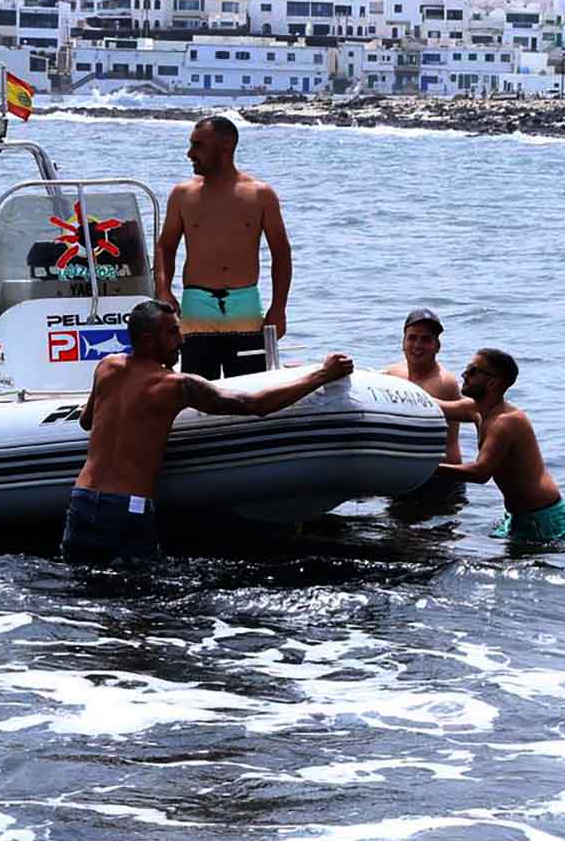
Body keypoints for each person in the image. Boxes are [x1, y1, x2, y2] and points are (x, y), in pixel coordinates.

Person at [62, 300, 353, 558]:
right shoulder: (175, 386)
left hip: (82, 502)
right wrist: (322, 375)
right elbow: (255, 405)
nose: (181, 340)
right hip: (127, 509)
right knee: (139, 606)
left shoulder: (106, 367)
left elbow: (87, 421)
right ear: (149, 340)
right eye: (173, 332)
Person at [153, 116, 290, 380]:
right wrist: (164, 290)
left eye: (198, 146)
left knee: (250, 388)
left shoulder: (260, 194)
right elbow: (165, 246)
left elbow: (281, 254)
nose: (190, 153)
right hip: (197, 306)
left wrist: (278, 307)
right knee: (199, 389)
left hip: (245, 306)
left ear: (225, 148)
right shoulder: (182, 194)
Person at [430, 348, 565, 546]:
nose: (464, 375)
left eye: (473, 371)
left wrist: (427, 467)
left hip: (543, 519)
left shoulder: (505, 422)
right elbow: (433, 405)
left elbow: (480, 473)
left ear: (493, 381)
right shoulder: (476, 410)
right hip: (518, 517)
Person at [383, 306, 464, 463]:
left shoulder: (444, 383)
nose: (417, 345)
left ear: (437, 346)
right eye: (412, 338)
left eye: (425, 339)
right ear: (403, 342)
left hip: (443, 474)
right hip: (407, 470)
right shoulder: (391, 374)